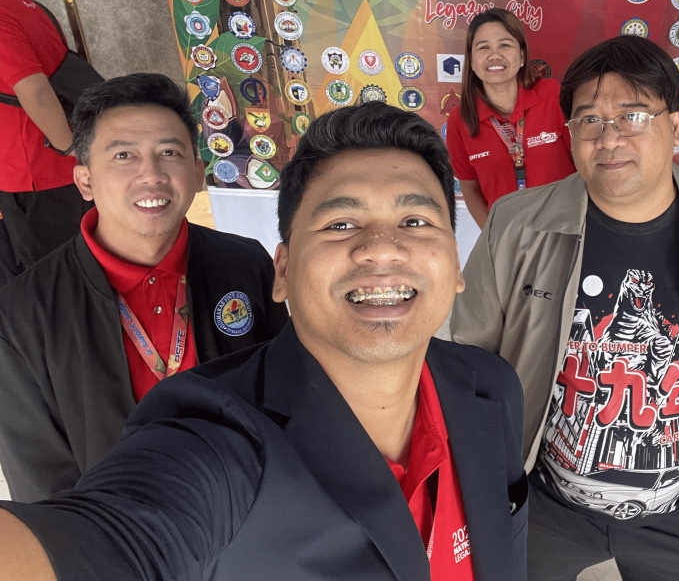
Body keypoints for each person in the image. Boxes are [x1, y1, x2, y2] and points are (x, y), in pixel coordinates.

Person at [0, 102, 528, 581]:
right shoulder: (222, 443)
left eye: (415, 220)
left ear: (456, 264)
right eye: (341, 223)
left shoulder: (492, 387)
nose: (382, 249)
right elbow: (112, 535)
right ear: (283, 271)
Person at [450, 36, 679, 581]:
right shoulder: (515, 226)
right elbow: (472, 365)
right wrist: (495, 481)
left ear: (676, 125)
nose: (608, 138)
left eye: (633, 116)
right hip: (543, 507)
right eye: (589, 120)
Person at [0, 73, 289, 502]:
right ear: (85, 181)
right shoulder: (23, 311)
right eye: (123, 156)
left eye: (169, 153)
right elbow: (39, 473)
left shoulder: (245, 264)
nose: (150, 175)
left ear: (197, 173)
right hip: (119, 530)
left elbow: (283, 395)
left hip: (249, 508)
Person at [0, 0, 90, 273]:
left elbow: (35, 91)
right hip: (54, 168)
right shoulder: (33, 7)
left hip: (33, 173)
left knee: (52, 277)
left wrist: (70, 149)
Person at [445, 8, 576, 228]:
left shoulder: (553, 95)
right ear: (471, 60)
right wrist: (492, 238)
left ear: (522, 56)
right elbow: (470, 189)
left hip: (565, 231)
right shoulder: (460, 120)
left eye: (505, 45)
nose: (494, 55)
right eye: (483, 47)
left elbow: (585, 165)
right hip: (507, 236)